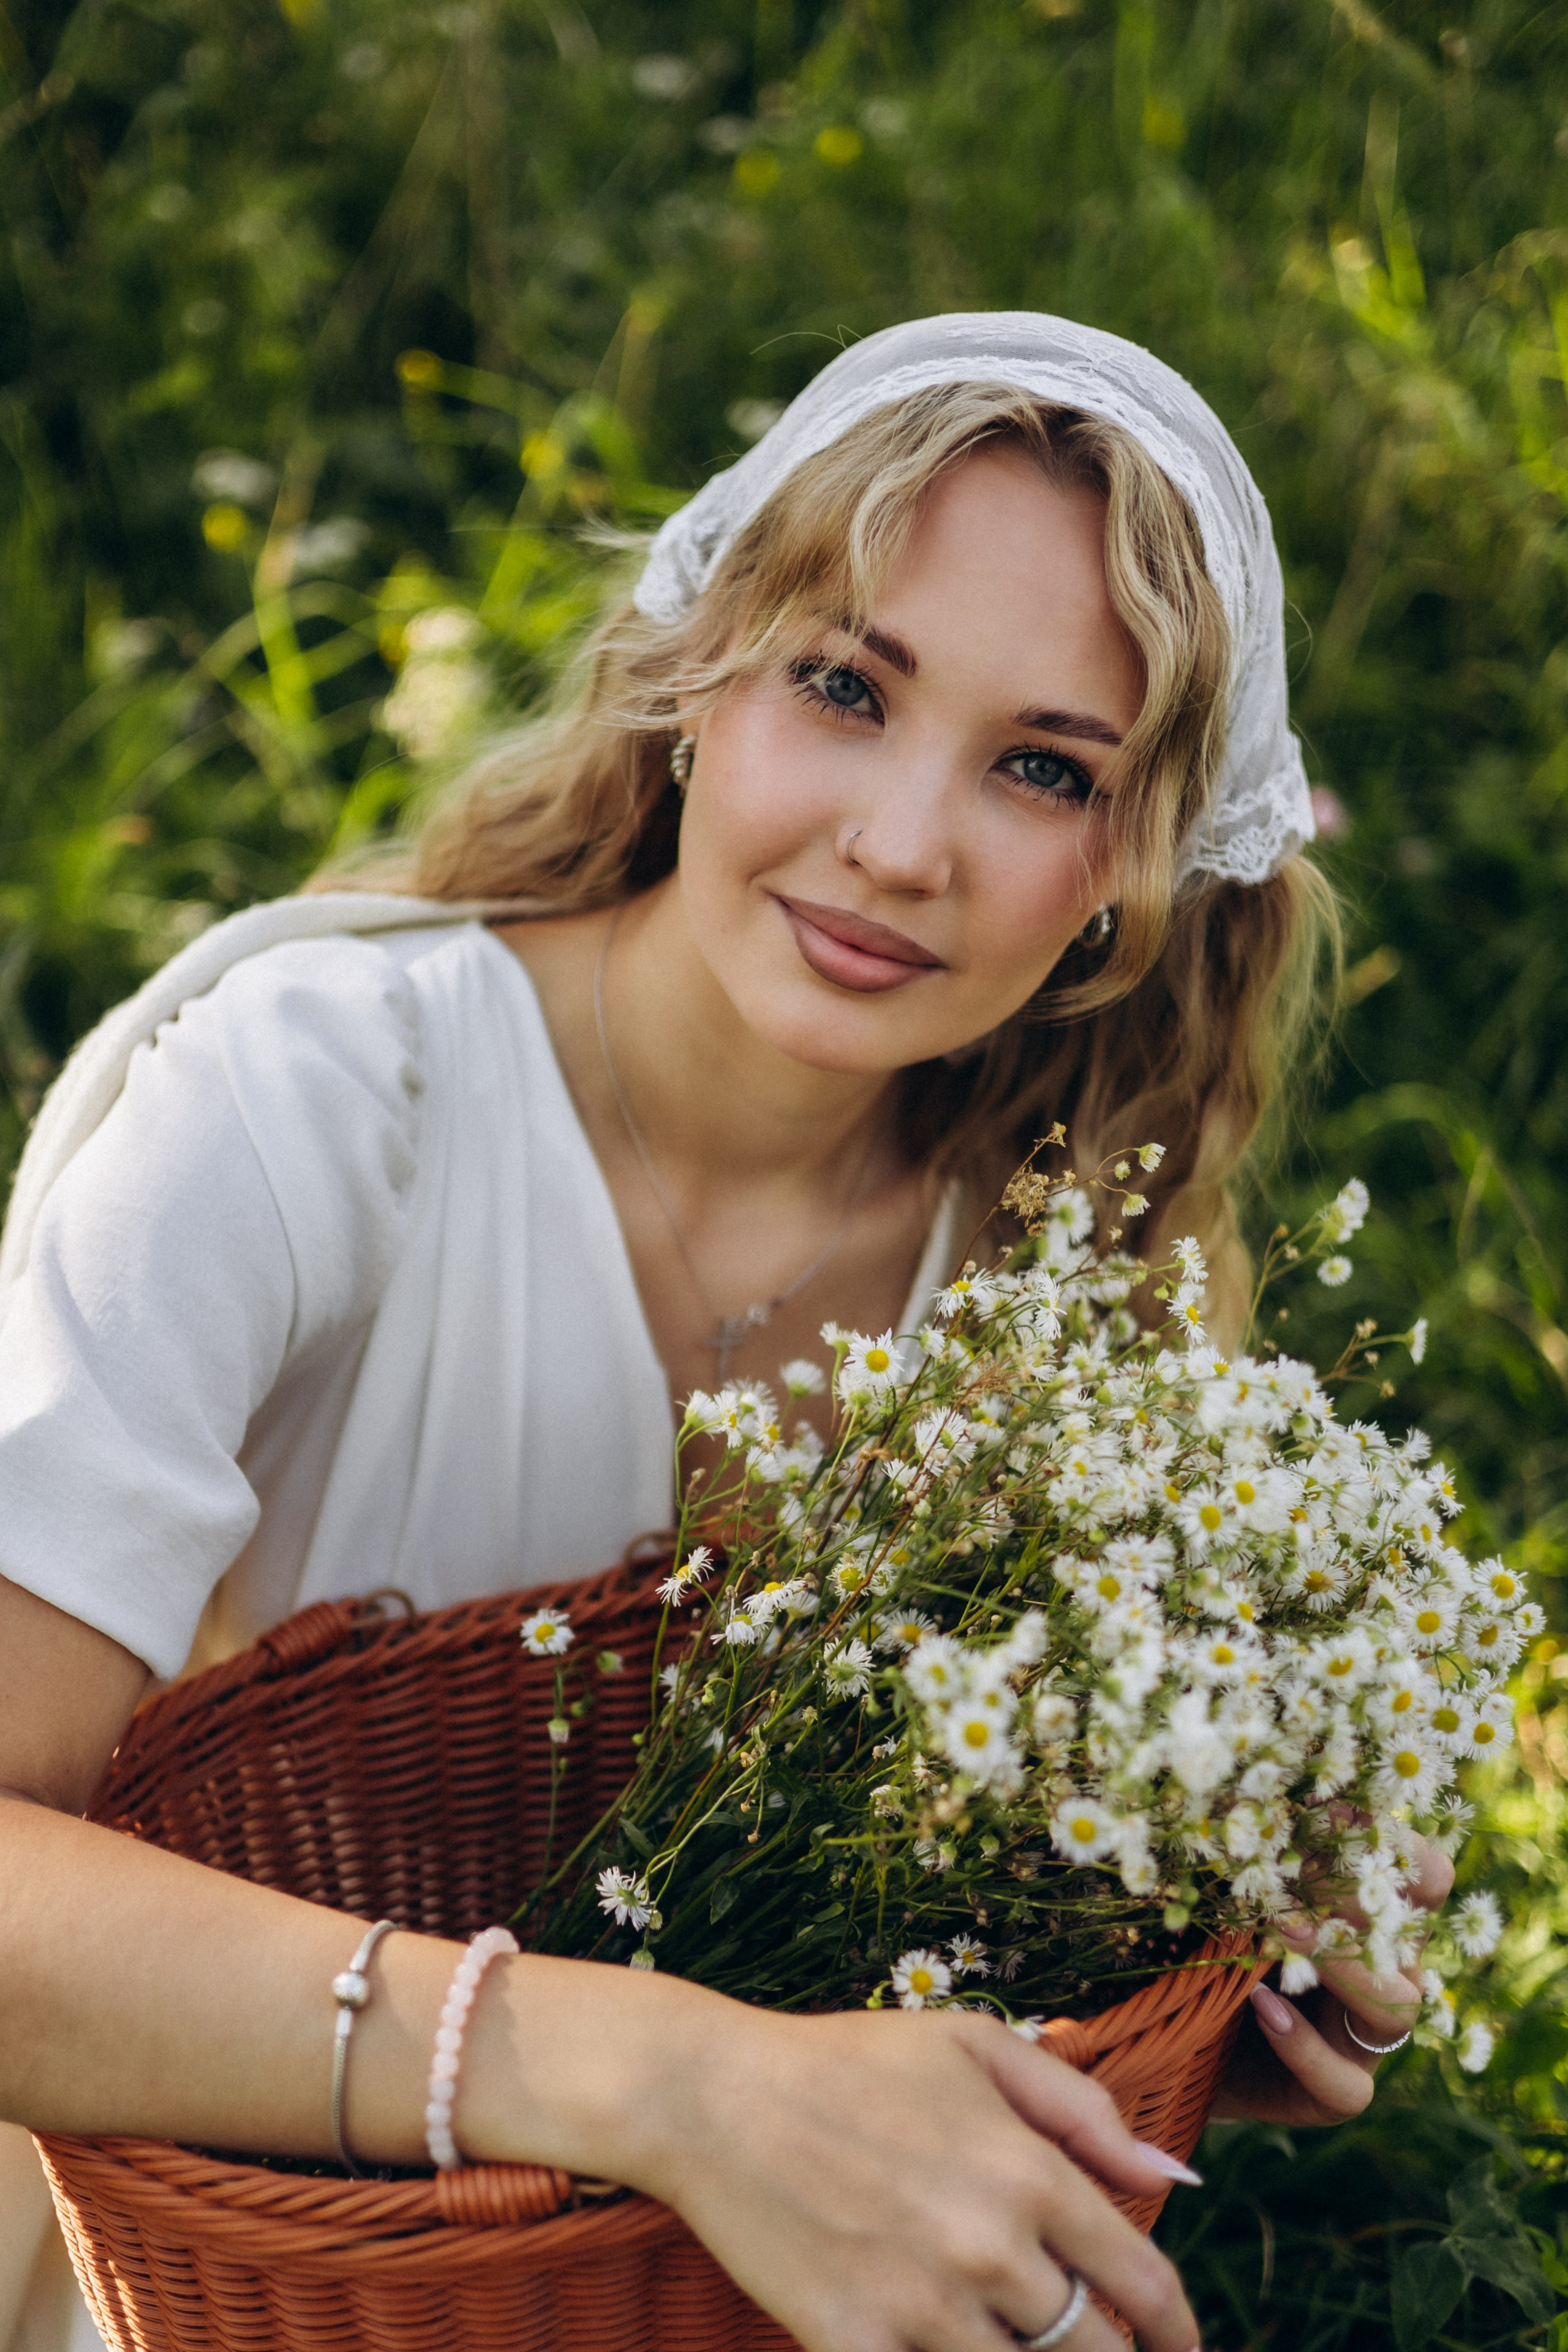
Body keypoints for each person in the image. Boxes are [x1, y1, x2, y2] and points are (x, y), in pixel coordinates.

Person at [0, 314, 1452, 2352]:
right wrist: (659, 2076)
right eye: (845, 687)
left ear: (1135, 872)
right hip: (243, 2272)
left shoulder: (1089, 1301)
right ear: (697, 672)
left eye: (1046, 767)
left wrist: (1214, 1972)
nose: (900, 841)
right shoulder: (316, 1104)